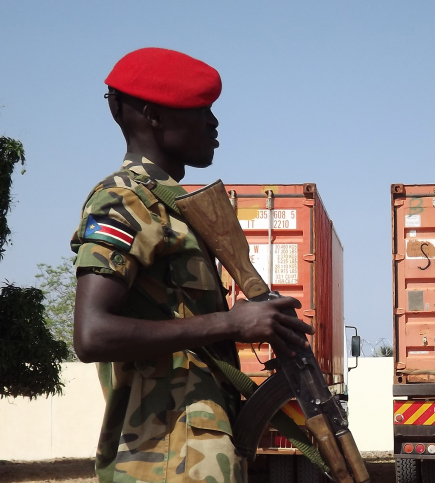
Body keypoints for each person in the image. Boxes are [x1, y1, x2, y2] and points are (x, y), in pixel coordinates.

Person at [71, 47, 313, 483]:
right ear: (153, 116)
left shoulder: (172, 206)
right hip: (164, 457)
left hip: (191, 452)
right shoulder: (124, 199)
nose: (213, 123)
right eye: (199, 110)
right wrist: (231, 325)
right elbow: (91, 334)